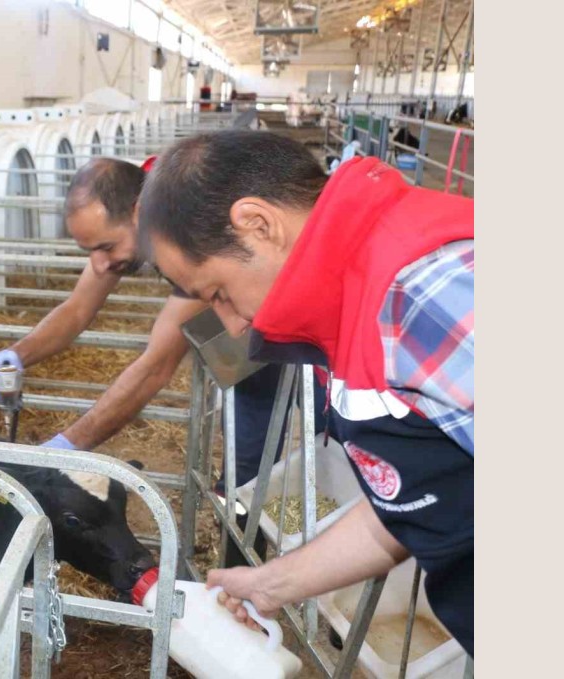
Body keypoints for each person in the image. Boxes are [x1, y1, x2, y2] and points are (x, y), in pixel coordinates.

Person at [139, 130, 474, 656]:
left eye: (219, 293)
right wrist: (272, 584)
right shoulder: (353, 305)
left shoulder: (426, 297)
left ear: (258, 224)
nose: (230, 325)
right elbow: (410, 496)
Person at [0, 157, 325, 568]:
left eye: (106, 247)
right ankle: (242, 572)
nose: (99, 264)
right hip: (249, 343)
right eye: (89, 251)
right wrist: (18, 354)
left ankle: (339, 579)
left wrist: (66, 447)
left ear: (138, 213)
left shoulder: (192, 229)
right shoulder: (137, 215)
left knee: (333, 446)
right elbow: (77, 310)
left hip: (311, 329)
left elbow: (155, 367)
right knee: (245, 471)